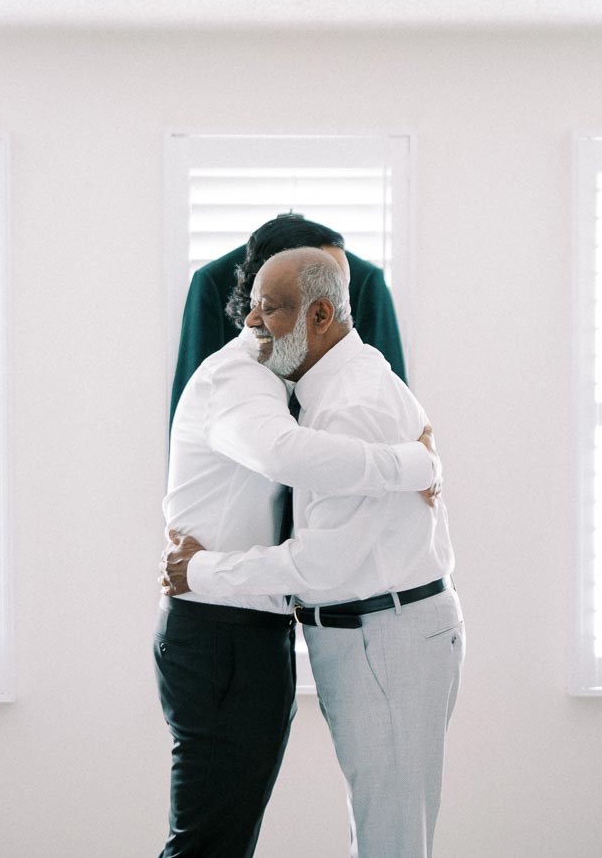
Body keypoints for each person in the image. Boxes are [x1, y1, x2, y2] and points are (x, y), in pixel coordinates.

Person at [164, 248, 463, 858]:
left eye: (268, 309)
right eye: (251, 304)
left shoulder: (347, 400)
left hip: (385, 635)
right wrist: (416, 462)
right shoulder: (313, 380)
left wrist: (198, 570)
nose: (250, 323)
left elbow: (320, 558)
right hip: (361, 634)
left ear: (321, 314)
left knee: (389, 839)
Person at [169, 213, 406, 424]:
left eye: (343, 286)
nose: (339, 301)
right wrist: (416, 458)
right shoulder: (234, 375)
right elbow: (286, 455)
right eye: (330, 281)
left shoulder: (361, 397)